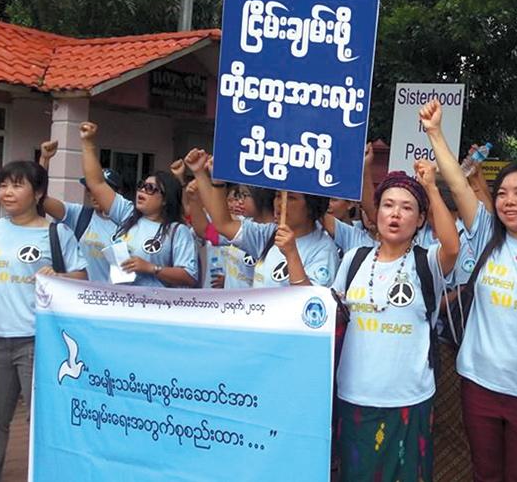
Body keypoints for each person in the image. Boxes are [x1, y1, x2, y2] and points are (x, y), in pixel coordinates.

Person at [420, 93, 517, 482]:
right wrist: (435, 132)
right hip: (478, 384)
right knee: (484, 474)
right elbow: (458, 183)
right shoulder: (486, 235)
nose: (508, 201)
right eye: (502, 193)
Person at [333, 162, 459, 482]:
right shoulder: (354, 260)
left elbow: (452, 246)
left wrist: (430, 186)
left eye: (406, 208)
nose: (395, 214)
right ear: (376, 213)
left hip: (409, 399)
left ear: (419, 220)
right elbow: (330, 316)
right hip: (354, 396)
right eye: (388, 205)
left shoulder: (426, 263)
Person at [0, 161, 87, 481]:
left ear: (39, 192)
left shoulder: (56, 233)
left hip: (37, 341)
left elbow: (81, 277)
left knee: (41, 422)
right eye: (4, 185)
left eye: (17, 185)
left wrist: (58, 276)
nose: (7, 192)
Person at [186, 149, 338, 289]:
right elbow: (223, 224)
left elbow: (311, 305)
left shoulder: (323, 249)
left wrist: (291, 254)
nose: (280, 203)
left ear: (312, 207)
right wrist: (207, 176)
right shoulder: (268, 234)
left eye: (290, 198)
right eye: (278, 196)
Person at [79, 122, 198, 287]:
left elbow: (189, 276)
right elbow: (96, 183)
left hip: (152, 308)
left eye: (150, 189)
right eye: (141, 185)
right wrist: (88, 143)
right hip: (118, 303)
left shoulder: (177, 231)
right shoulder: (127, 214)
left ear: (165, 199)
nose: (141, 191)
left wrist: (151, 268)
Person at [39, 140, 121, 282]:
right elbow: (41, 199)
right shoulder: (79, 215)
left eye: (101, 190)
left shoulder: (127, 224)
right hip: (78, 299)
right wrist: (44, 160)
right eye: (90, 189)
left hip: (111, 299)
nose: (94, 194)